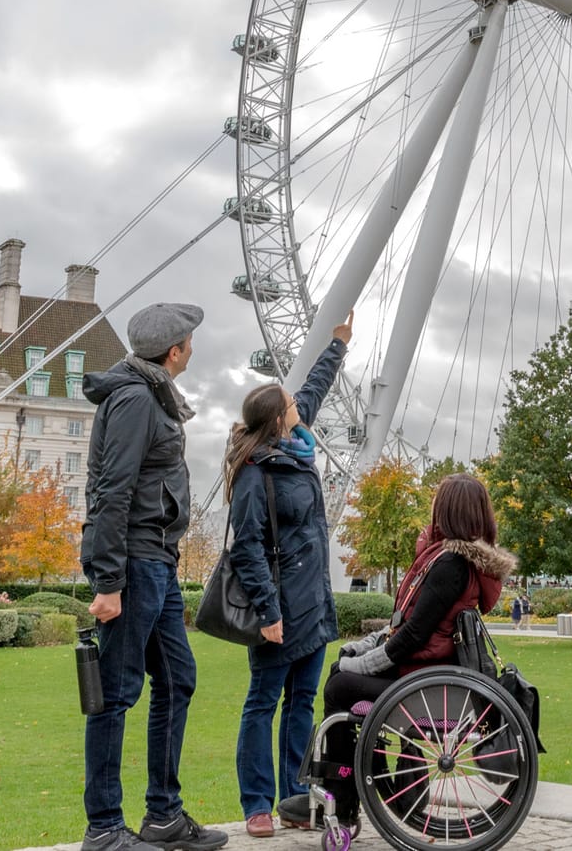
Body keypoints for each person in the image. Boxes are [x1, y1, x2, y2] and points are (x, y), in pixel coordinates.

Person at [79, 302, 226, 851]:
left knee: (177, 678)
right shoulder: (138, 399)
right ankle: (104, 828)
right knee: (115, 694)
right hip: (136, 563)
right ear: (174, 351)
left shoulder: (155, 396)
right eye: (190, 341)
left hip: (158, 559)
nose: (193, 348)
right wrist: (109, 581)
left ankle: (164, 815)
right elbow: (112, 491)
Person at [315, 474, 516, 830]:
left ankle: (343, 800)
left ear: (445, 512)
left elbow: (411, 635)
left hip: (423, 686)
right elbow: (412, 627)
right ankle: (347, 792)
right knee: (342, 675)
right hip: (432, 678)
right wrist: (362, 651)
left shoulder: (449, 565)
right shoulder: (463, 564)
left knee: (338, 685)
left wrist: (360, 662)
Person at [224, 313, 353, 839]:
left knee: (302, 704)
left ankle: (295, 801)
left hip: (314, 605)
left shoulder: (297, 445)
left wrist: (337, 346)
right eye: (291, 405)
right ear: (277, 419)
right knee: (262, 703)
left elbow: (312, 391)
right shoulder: (256, 471)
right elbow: (247, 548)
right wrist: (269, 613)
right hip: (279, 610)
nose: (300, 407)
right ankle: (257, 803)